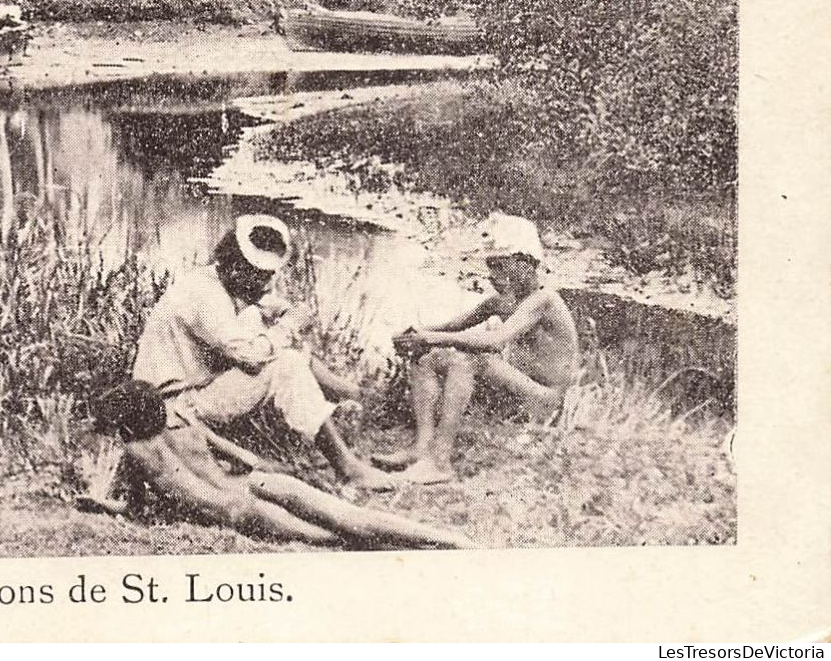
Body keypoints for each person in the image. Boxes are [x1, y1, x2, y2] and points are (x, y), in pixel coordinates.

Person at [132, 214, 398, 491]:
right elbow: (249, 354)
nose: (266, 284)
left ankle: (344, 401)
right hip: (173, 408)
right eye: (258, 275)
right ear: (233, 265)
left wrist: (277, 313)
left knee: (269, 334)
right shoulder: (203, 295)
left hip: (191, 395)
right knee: (286, 364)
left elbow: (255, 311)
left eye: (269, 275)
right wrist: (289, 324)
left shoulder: (218, 281)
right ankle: (347, 466)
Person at [89, 379, 471, 549]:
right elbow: (243, 458)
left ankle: (424, 550)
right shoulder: (184, 420)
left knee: (333, 537)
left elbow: (133, 507)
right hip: (254, 484)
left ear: (124, 424)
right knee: (346, 515)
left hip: (239, 510)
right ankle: (448, 540)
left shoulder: (136, 454)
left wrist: (100, 503)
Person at [374, 213, 581, 484]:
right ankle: (421, 448)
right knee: (427, 358)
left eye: (501, 266)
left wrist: (431, 338)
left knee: (471, 360)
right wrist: (415, 335)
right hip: (520, 391)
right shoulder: (501, 302)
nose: (493, 275)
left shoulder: (544, 300)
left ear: (527, 264)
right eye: (491, 266)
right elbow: (450, 327)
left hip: (547, 401)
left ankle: (440, 462)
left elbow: (496, 341)